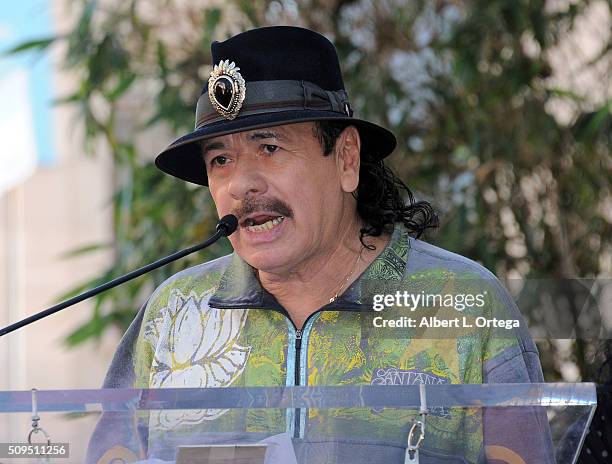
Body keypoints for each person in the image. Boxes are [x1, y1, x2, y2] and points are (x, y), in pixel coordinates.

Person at [92, 26, 553, 464]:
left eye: (269, 147)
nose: (241, 185)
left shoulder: (461, 302)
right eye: (221, 160)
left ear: (346, 159)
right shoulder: (174, 314)